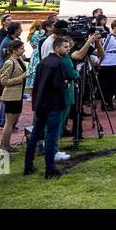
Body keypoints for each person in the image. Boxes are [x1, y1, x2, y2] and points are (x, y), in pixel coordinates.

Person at [24, 35, 78, 178]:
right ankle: (50, 169)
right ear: (57, 48)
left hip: (41, 103)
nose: (68, 50)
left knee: (36, 134)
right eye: (65, 47)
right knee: (51, 136)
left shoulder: (43, 62)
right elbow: (59, 85)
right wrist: (66, 83)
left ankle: (28, 165)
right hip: (53, 104)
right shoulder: (58, 63)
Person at [0, 40, 28, 153]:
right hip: (11, 96)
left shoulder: (19, 60)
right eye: (21, 48)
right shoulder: (9, 63)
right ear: (14, 50)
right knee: (9, 123)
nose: (23, 50)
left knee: (13, 122)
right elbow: (4, 81)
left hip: (18, 95)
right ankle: (5, 146)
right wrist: (21, 78)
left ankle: (5, 143)